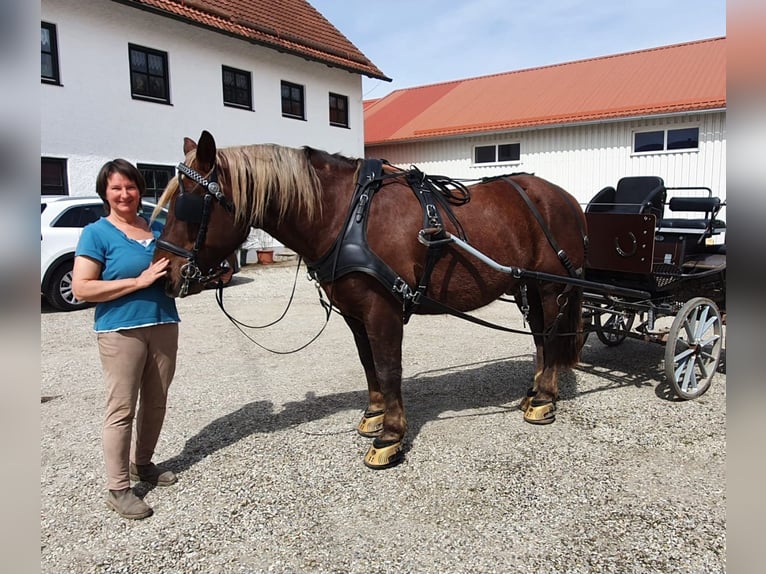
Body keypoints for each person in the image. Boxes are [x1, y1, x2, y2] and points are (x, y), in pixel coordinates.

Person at [72, 159, 180, 520]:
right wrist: (138, 281)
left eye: (130, 187)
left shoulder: (158, 228)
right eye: (116, 188)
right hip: (120, 330)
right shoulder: (97, 233)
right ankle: (118, 489)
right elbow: (82, 287)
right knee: (122, 409)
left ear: (140, 191)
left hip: (164, 323)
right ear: (106, 192)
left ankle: (144, 464)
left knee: (156, 402)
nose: (124, 194)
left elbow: (176, 274)